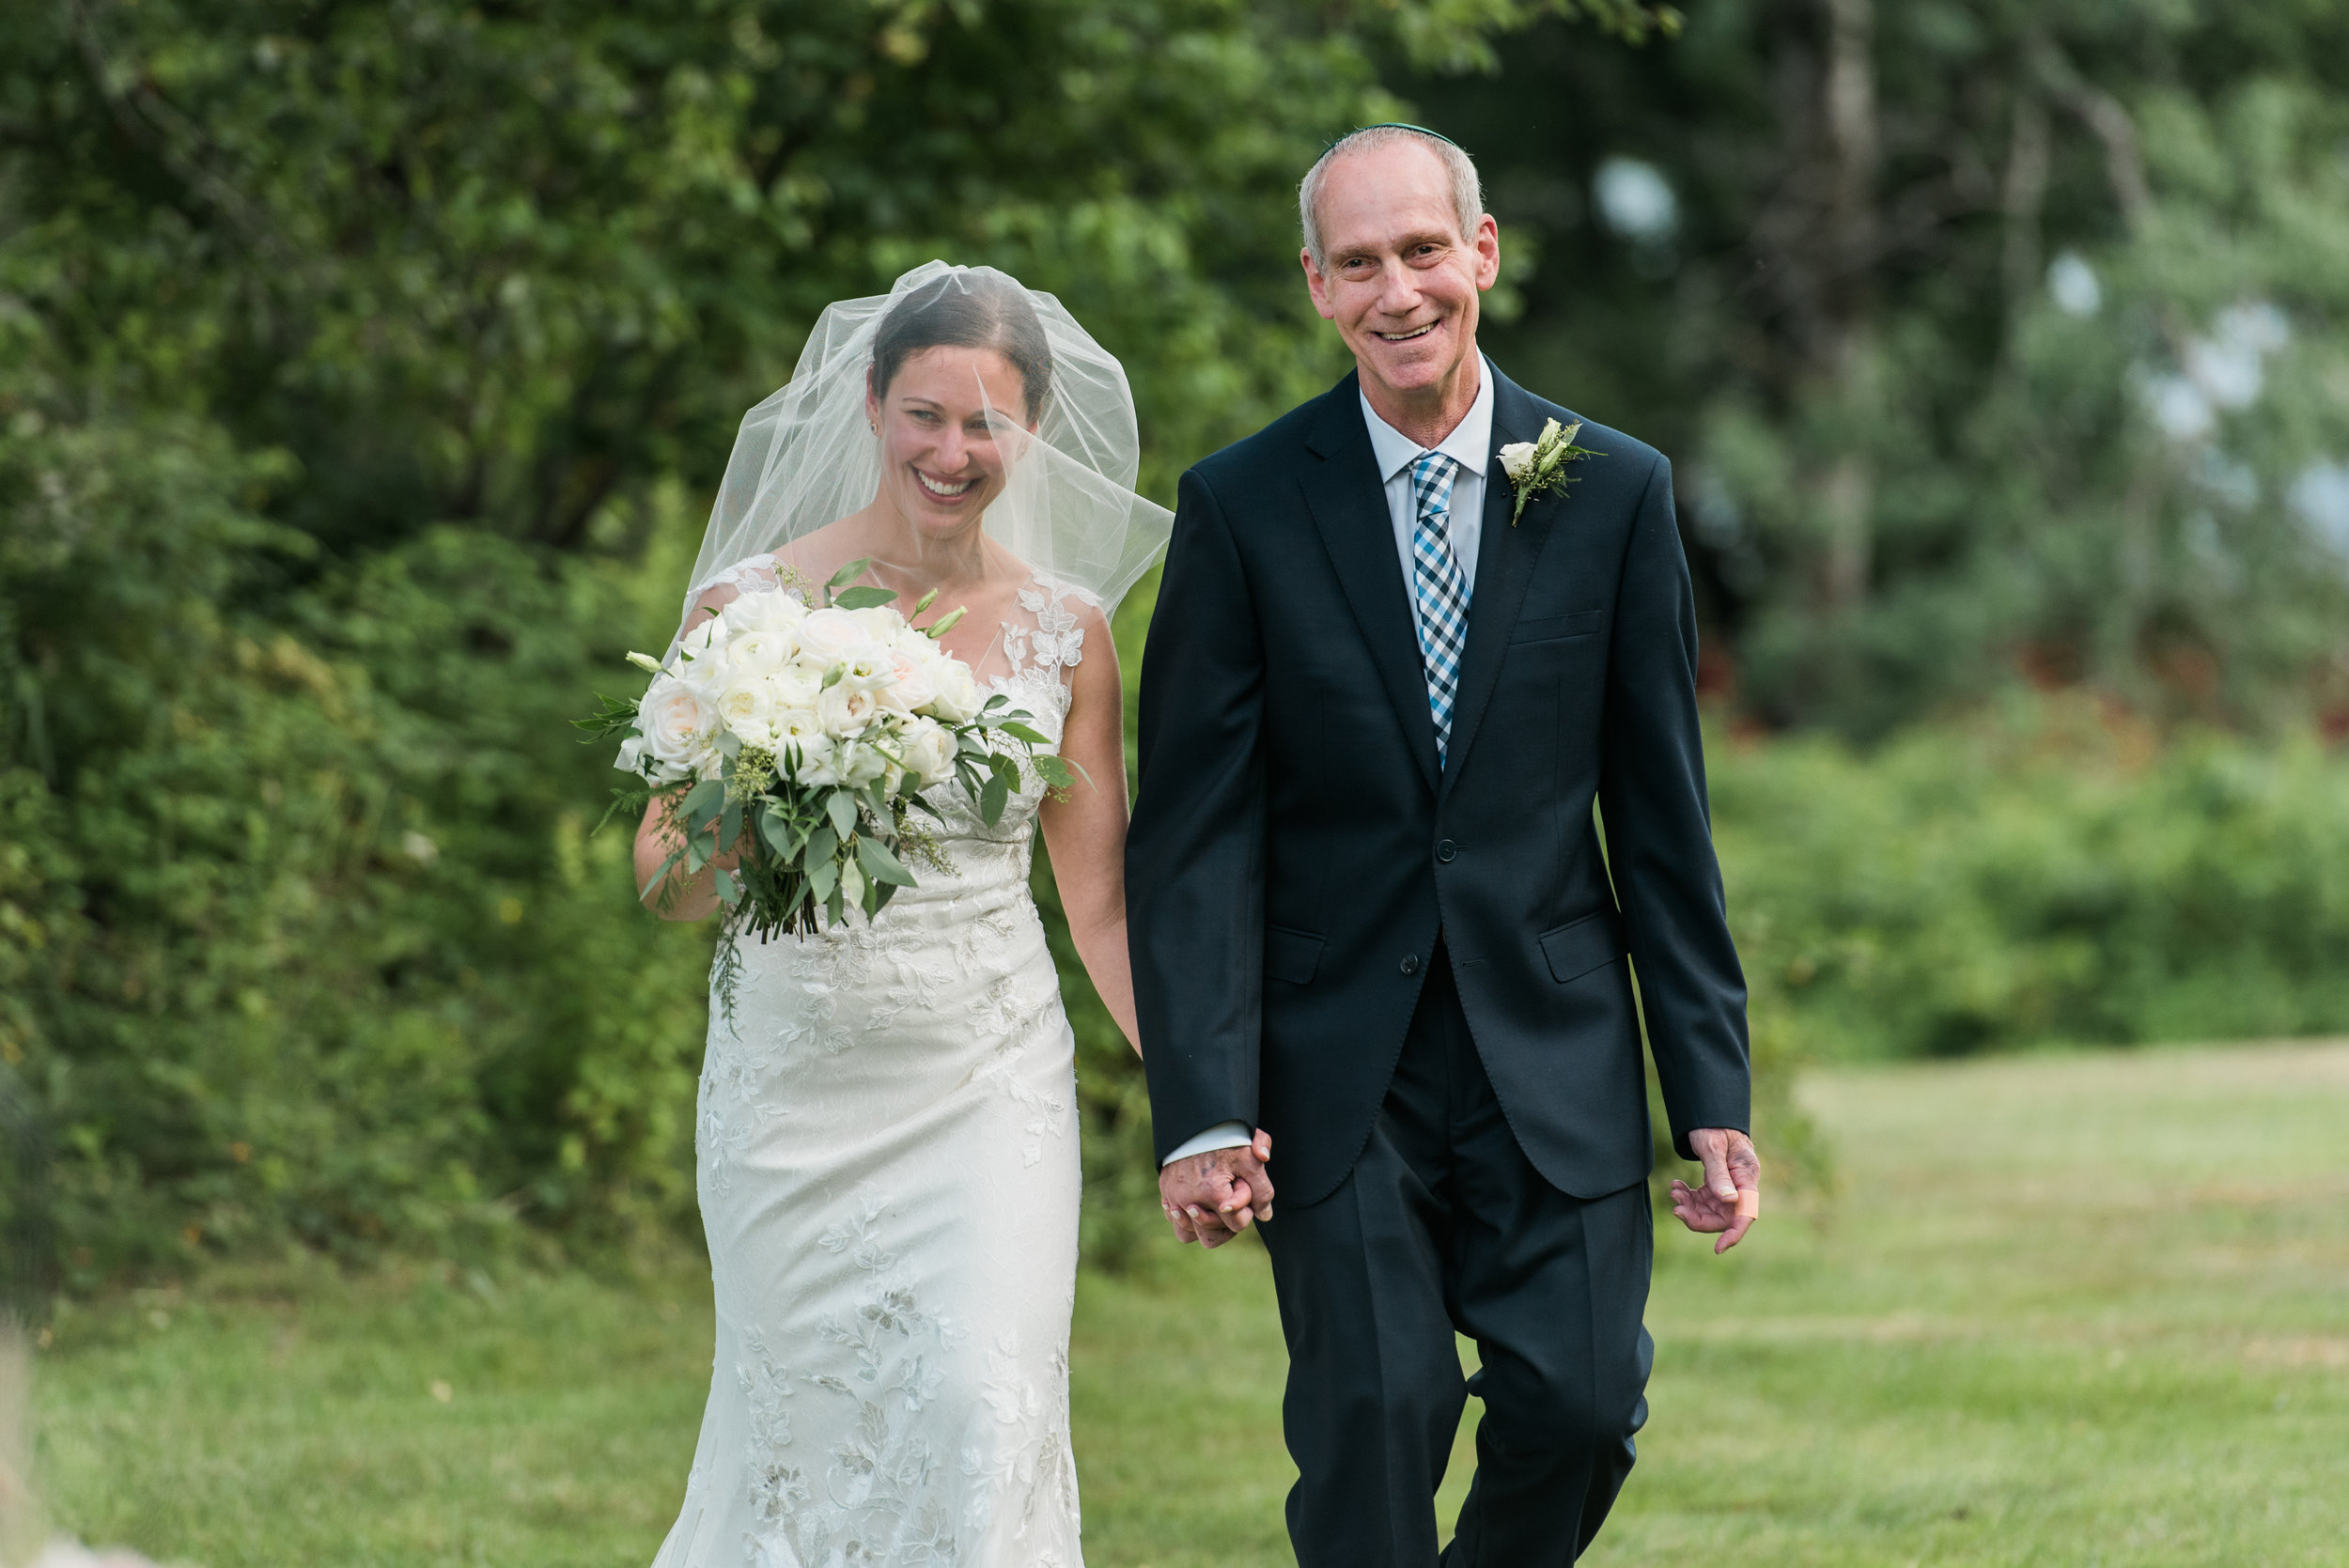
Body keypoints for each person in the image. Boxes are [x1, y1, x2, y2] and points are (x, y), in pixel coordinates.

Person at [1127, 125, 1762, 1566]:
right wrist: (1206, 1106)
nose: (1397, 291)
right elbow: (1195, 837)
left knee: (1587, 1406)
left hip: (1559, 1040)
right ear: (1316, 286)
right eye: (1359, 263)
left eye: (1423, 251)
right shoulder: (1240, 506)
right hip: (1339, 1061)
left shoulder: (1614, 490)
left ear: (1481, 253)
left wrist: (1710, 1081)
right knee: (1374, 1412)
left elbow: (1663, 819)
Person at [634, 262, 1213, 1568]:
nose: (952, 452)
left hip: (983, 1083)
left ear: (1032, 434)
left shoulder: (1066, 632)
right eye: (925, 415)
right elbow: (665, 883)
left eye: (987, 424)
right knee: (801, 1434)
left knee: (972, 1410)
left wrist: (1202, 1099)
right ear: (870, 402)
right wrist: (769, 778)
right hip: (789, 1093)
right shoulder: (750, 611)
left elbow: (1103, 901)